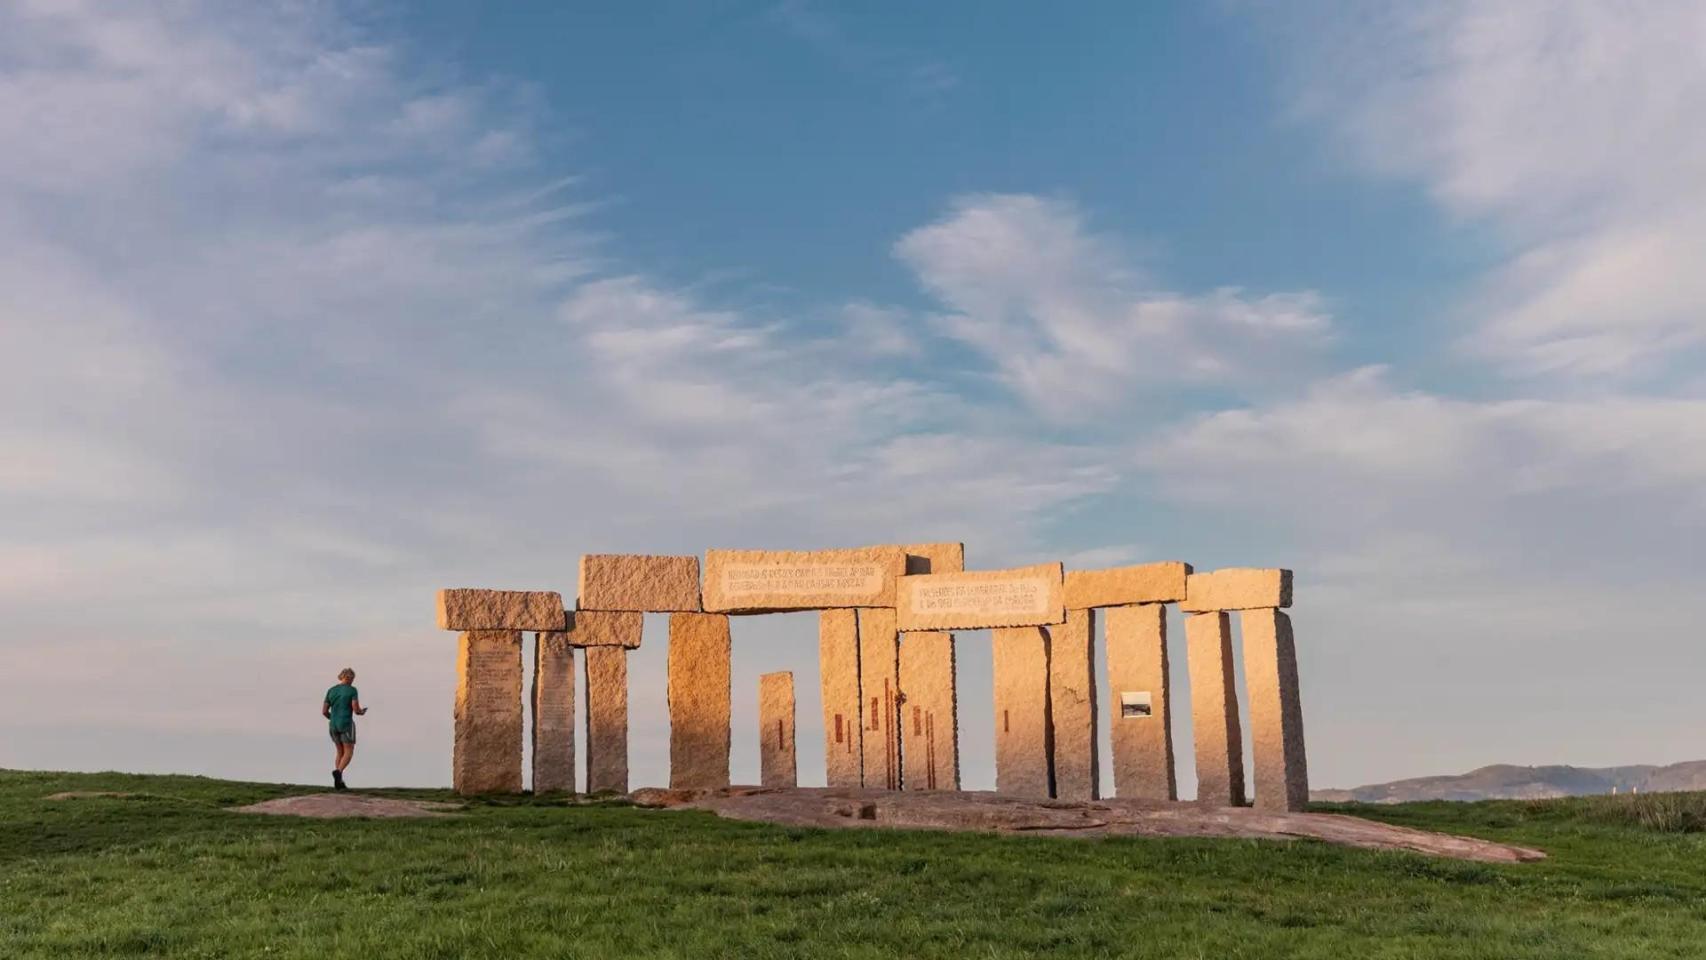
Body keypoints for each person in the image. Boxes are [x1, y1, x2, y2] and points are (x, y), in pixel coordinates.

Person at [322, 668, 367, 790]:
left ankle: (339, 782)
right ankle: (338, 772)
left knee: (339, 752)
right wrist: (361, 712)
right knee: (349, 751)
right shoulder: (352, 690)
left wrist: (333, 717)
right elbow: (355, 709)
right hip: (346, 723)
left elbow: (324, 711)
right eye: (352, 678)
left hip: (333, 724)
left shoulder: (331, 690)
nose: (352, 680)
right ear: (350, 678)